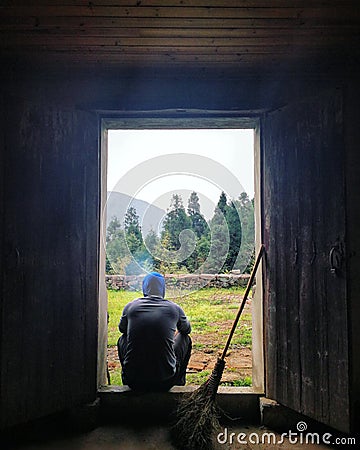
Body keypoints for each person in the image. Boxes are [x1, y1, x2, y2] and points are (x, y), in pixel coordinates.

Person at [117, 272, 192, 392]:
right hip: (165, 382)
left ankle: (127, 373)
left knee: (123, 338)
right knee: (185, 338)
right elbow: (187, 330)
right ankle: (179, 382)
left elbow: (122, 329)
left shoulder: (130, 307)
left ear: (144, 288)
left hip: (134, 382)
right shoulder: (174, 308)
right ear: (163, 289)